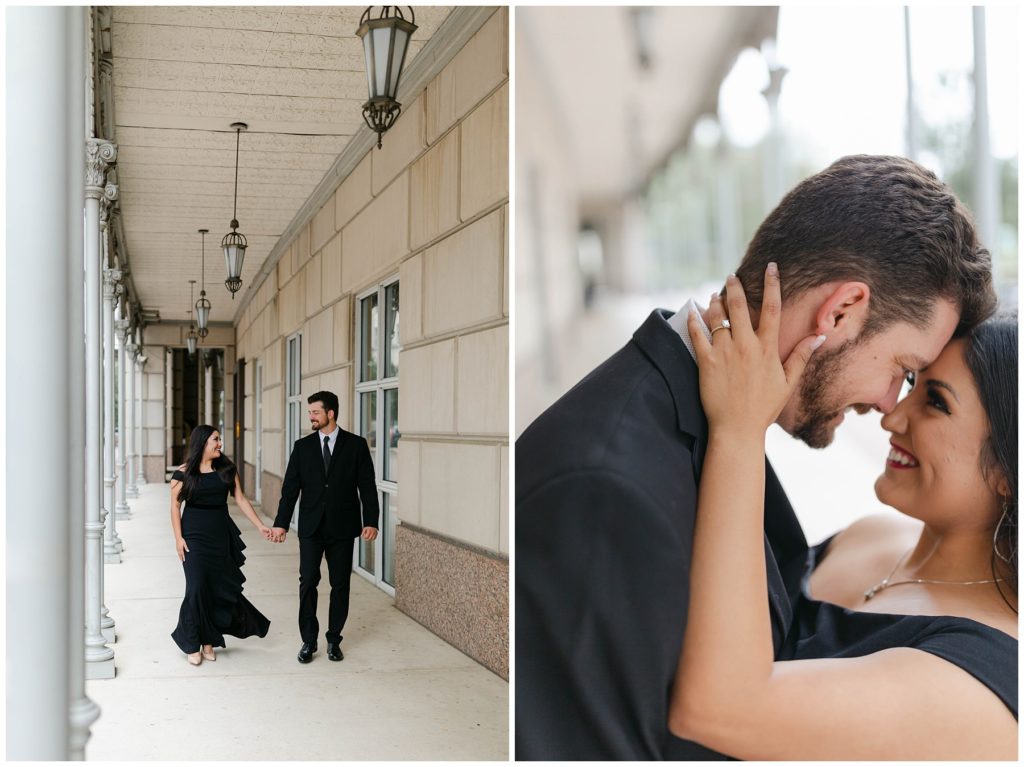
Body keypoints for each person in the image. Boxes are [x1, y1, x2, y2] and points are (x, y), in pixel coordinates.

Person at [515, 155, 997, 759]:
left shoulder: (707, 428)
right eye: (902, 370)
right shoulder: (607, 491)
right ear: (842, 310)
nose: (885, 405)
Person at [670, 269, 1016, 759]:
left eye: (936, 403)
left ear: (1007, 471)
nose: (891, 418)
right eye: (912, 382)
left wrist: (741, 428)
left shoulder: (980, 686)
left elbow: (715, 710)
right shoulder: (869, 535)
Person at [271, 391, 379, 664]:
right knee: (308, 582)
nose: (311, 417)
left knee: (340, 584)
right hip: (311, 527)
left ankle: (334, 640)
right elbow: (290, 489)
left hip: (343, 528)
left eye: (315, 412)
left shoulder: (356, 445)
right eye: (310, 413)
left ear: (330, 413)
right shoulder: (302, 446)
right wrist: (281, 524)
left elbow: (367, 486)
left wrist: (371, 521)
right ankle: (309, 640)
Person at [170, 425, 272, 665]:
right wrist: (178, 538)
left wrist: (260, 526)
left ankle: (208, 640)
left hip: (220, 537)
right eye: (215, 439)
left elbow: (241, 499)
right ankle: (191, 641)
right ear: (202, 443)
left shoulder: (227, 469)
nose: (220, 444)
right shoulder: (183, 473)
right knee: (195, 588)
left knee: (213, 589)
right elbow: (175, 507)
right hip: (193, 537)